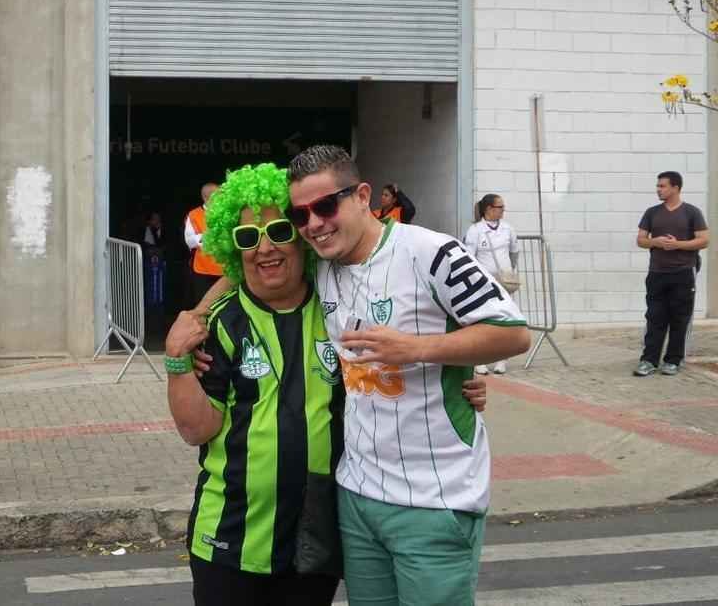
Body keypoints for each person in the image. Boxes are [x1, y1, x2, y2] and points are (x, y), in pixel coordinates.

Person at [191, 146, 520, 606]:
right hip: (355, 498)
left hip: (433, 497)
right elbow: (248, 261)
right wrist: (193, 318)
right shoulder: (324, 264)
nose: (315, 223)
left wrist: (421, 350)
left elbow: (512, 333)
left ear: (363, 195)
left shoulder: (431, 251)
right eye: (301, 215)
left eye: (326, 206)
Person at [164, 163, 344, 605]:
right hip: (229, 537)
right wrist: (175, 359)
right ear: (232, 248)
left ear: (301, 236)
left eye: (279, 231)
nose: (265, 249)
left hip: (316, 535)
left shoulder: (340, 305)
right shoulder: (221, 323)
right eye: (247, 238)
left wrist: (457, 383)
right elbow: (196, 430)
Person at [635, 170, 709, 377]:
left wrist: (678, 245)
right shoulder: (652, 212)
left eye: (662, 186)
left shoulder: (691, 212)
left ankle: (673, 361)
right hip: (657, 273)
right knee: (654, 317)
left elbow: (704, 240)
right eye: (658, 186)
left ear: (675, 188)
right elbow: (640, 239)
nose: (658, 190)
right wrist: (655, 242)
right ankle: (649, 361)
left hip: (684, 273)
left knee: (679, 318)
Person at [464, 193, 520, 375]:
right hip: (483, 282)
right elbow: (469, 257)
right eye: (500, 207)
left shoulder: (508, 229)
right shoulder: (475, 230)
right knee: (482, 321)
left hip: (503, 281)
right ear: (489, 209)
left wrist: (509, 271)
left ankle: (501, 359)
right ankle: (479, 360)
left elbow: (514, 252)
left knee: (504, 319)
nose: (503, 210)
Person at [185, 183, 224, 306]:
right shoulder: (194, 214)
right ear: (206, 198)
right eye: (217, 196)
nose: (221, 198)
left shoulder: (225, 213)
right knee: (204, 305)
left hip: (225, 270)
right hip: (203, 270)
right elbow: (189, 241)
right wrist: (208, 237)